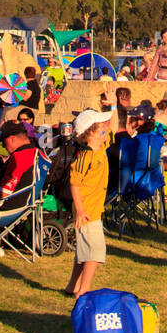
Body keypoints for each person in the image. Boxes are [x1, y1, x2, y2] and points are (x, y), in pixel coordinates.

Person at [64, 108, 112, 298]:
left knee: (83, 250)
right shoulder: (84, 157)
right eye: (101, 127)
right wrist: (81, 210)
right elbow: (74, 184)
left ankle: (72, 286)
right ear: (91, 132)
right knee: (95, 251)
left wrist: (113, 106)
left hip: (94, 209)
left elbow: (113, 124)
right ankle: (84, 290)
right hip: (87, 210)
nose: (106, 129)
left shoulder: (102, 147)